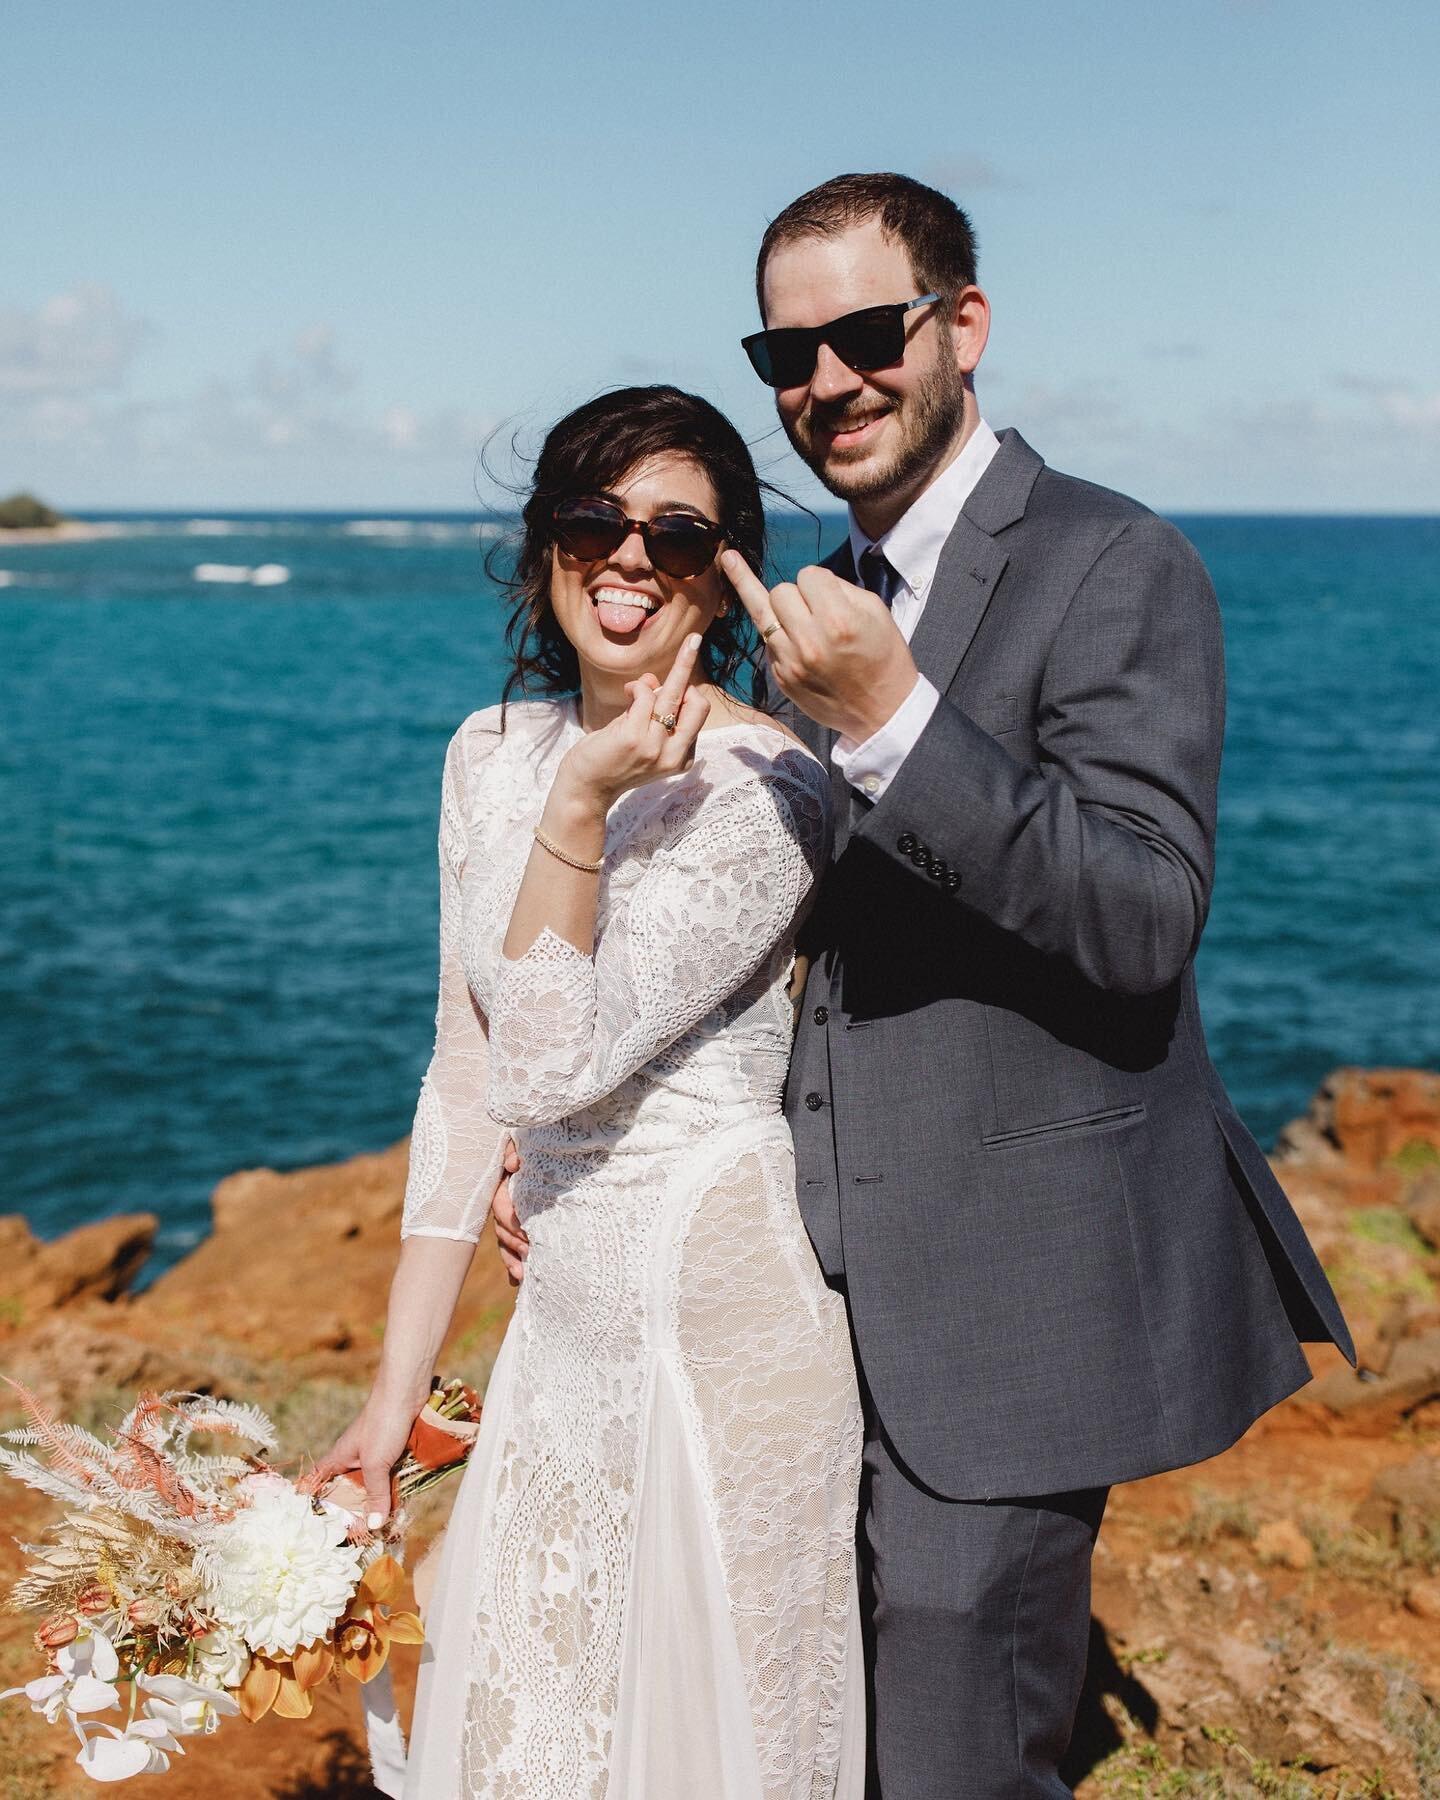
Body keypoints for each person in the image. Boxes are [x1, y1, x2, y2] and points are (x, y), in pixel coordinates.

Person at [494, 174, 1356, 1799]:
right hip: (805, 1297)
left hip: (1009, 1302)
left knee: (959, 1754)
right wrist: (589, 1166)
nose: (827, 381)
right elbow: (786, 948)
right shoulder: (821, 598)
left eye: (867, 333)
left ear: (962, 326)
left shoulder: (1113, 563)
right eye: (787, 351)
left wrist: (896, 725)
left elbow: (1144, 915)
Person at [316, 384, 864, 1799]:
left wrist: (581, 814)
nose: (628, 557)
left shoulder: (771, 791)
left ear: (726, 570)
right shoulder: (488, 754)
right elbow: (467, 1072)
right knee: (536, 1730)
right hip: (559, 1325)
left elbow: (555, 1061)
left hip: (716, 1323)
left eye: (676, 534)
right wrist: (392, 1404)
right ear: (545, 540)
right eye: (591, 517)